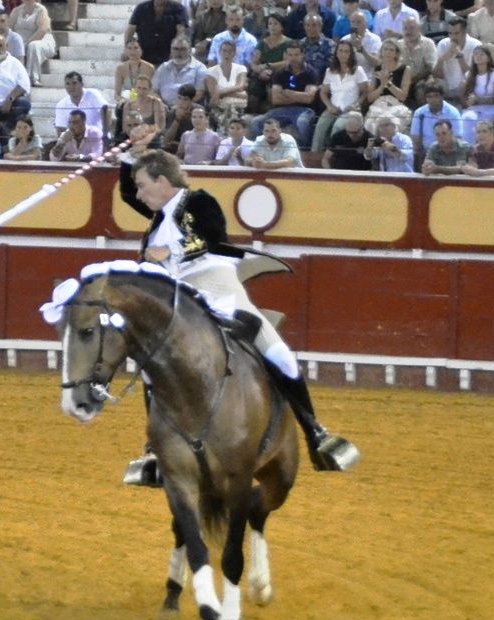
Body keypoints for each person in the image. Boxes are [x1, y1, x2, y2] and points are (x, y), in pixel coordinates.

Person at [110, 146, 359, 487]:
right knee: (155, 362)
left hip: (218, 288)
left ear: (163, 181)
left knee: (277, 353)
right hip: (179, 296)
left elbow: (213, 237)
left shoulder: (198, 201)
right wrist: (131, 153)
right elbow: (126, 193)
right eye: (137, 186)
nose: (138, 194)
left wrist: (171, 250)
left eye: (142, 185)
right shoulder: (158, 216)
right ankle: (155, 449)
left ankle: (315, 431)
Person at [249, 42, 319, 149]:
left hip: (304, 110)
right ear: (285, 55)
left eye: (296, 55)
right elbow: (276, 99)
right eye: (290, 55)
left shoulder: (311, 72)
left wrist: (289, 93)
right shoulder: (279, 73)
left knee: (302, 123)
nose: (293, 58)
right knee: (256, 122)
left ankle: (304, 151)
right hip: (281, 110)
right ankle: (262, 149)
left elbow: (309, 99)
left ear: (302, 55)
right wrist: (300, 96)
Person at [313, 38, 368, 152]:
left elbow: (365, 92)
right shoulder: (330, 71)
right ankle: (314, 157)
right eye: (341, 51)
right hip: (333, 108)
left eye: (346, 51)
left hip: (350, 110)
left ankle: (334, 157)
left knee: (338, 127)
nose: (343, 54)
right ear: (336, 53)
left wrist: (356, 104)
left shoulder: (358, 71)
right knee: (320, 127)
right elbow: (323, 92)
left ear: (351, 54)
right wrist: (329, 106)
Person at [364, 37, 412, 131]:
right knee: (372, 125)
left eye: (391, 50)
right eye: (385, 49)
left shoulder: (405, 69)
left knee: (391, 124)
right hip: (379, 104)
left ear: (396, 53)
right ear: (381, 51)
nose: (388, 52)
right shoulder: (377, 69)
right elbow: (370, 98)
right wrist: (382, 86)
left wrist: (388, 83)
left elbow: (402, 96)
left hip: (396, 105)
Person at [124, 0, 189, 66]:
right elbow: (131, 29)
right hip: (144, 53)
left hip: (167, 54)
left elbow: (181, 31)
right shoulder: (141, 8)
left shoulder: (178, 8)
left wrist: (175, 50)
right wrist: (127, 48)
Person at [248, 13, 290, 113]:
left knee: (272, 92)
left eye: (275, 24)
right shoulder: (262, 43)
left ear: (282, 26)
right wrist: (259, 71)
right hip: (262, 75)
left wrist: (268, 66)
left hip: (280, 75)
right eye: (270, 24)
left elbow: (287, 62)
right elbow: (254, 63)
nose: (272, 26)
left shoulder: (288, 43)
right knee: (253, 95)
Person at [432, 16, 480, 104]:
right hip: (447, 86)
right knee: (430, 84)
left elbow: (474, 75)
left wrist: (460, 56)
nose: (453, 37)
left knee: (465, 84)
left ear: (465, 32)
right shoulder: (443, 44)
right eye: (450, 33)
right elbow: (435, 75)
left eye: (456, 33)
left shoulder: (476, 45)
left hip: (467, 88)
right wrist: (442, 59)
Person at [410, 78, 463, 152]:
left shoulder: (452, 112)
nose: (432, 99)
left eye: (436, 96)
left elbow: (458, 137)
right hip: (425, 154)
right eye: (429, 96)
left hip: (448, 153)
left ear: (442, 96)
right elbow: (415, 138)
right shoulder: (419, 113)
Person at [152, 36, 207, 106]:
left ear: (190, 50)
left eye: (183, 49)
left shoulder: (199, 68)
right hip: (163, 108)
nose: (179, 52)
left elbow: (199, 94)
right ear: (171, 50)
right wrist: (161, 105)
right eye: (175, 49)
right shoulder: (163, 67)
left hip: (188, 109)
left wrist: (181, 107)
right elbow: (153, 91)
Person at [8, 0, 53, 87]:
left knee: (33, 46)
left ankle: (33, 78)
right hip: (21, 42)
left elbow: (42, 30)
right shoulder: (16, 11)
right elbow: (9, 29)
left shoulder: (41, 10)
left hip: (42, 40)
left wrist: (26, 44)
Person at [206, 38, 249, 127]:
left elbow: (240, 87)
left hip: (238, 106)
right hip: (219, 107)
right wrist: (236, 92)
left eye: (230, 51)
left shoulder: (241, 68)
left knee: (234, 109)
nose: (227, 54)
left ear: (234, 53)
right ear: (220, 52)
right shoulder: (211, 71)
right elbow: (213, 96)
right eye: (224, 50)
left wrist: (221, 92)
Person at [53, 69, 107, 138]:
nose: (71, 87)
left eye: (74, 83)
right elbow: (60, 129)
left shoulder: (92, 94)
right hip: (75, 142)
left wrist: (105, 133)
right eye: (68, 84)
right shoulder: (61, 105)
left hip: (96, 138)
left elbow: (106, 111)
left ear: (81, 84)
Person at [460, 43, 494, 142]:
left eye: (481, 54)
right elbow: (464, 97)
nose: (478, 57)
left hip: (491, 108)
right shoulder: (469, 75)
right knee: (467, 117)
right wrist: (468, 101)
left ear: (488, 58)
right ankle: (469, 148)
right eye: (475, 54)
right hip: (474, 109)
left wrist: (479, 100)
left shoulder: (493, 75)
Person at [299, 13, 335, 80]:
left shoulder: (329, 45)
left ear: (320, 26)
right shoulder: (299, 44)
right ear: (304, 27)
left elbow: (332, 68)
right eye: (307, 25)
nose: (310, 28)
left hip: (322, 82)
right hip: (301, 81)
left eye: (314, 25)